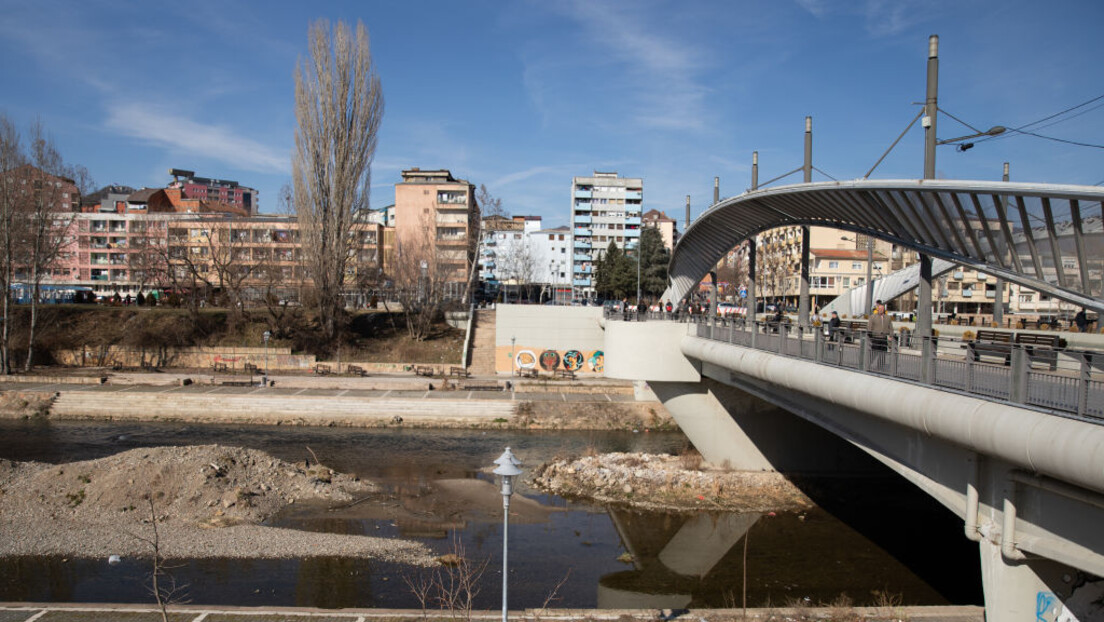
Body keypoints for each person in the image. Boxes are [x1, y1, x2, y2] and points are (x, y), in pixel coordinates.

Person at [867, 301, 893, 371]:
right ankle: (868, 365)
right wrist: (871, 337)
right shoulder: (873, 317)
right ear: (877, 309)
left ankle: (880, 367)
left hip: (884, 338)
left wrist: (891, 335)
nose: (881, 310)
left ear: (884, 309)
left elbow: (891, 328)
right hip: (876, 338)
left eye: (882, 309)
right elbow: (869, 327)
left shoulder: (887, 318)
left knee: (883, 354)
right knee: (873, 353)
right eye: (880, 308)